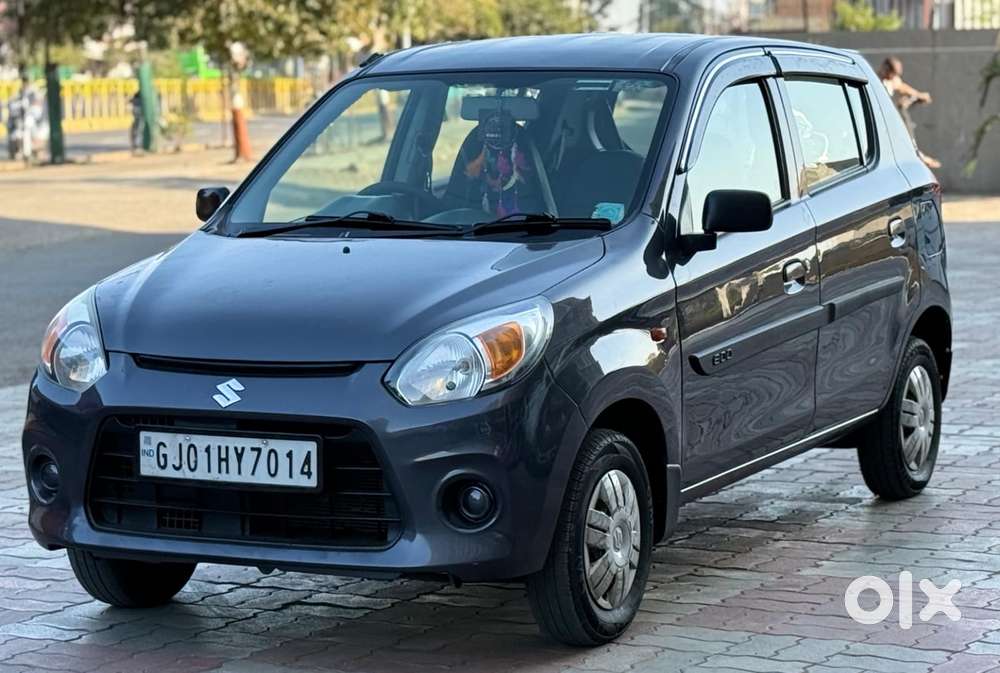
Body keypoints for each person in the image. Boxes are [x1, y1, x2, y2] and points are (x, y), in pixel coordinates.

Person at [877, 56, 941, 169]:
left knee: (902, 114)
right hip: (881, 121)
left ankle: (916, 152)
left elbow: (902, 87)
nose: (893, 78)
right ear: (885, 69)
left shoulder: (892, 80)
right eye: (892, 74)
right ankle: (917, 154)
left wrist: (919, 95)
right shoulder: (877, 81)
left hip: (891, 118)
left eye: (895, 75)